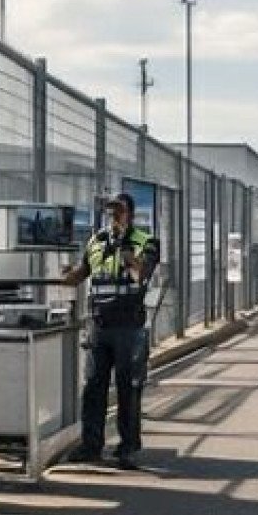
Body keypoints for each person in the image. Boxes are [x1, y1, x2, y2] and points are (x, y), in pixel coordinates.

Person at [62, 192, 160, 470]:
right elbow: (82, 273)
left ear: (130, 213)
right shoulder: (96, 241)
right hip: (100, 324)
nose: (114, 215)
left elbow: (141, 275)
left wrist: (126, 252)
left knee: (129, 388)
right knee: (93, 387)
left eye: (119, 210)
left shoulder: (146, 241)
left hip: (129, 326)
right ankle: (91, 445)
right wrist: (69, 275)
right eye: (111, 211)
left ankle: (127, 447)